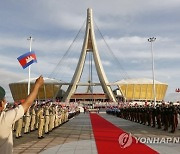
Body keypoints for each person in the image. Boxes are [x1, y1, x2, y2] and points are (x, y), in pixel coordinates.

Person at [0, 76, 44, 154]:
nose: (6, 102)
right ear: (1, 103)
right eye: (4, 100)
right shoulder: (4, 119)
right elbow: (27, 104)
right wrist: (37, 85)